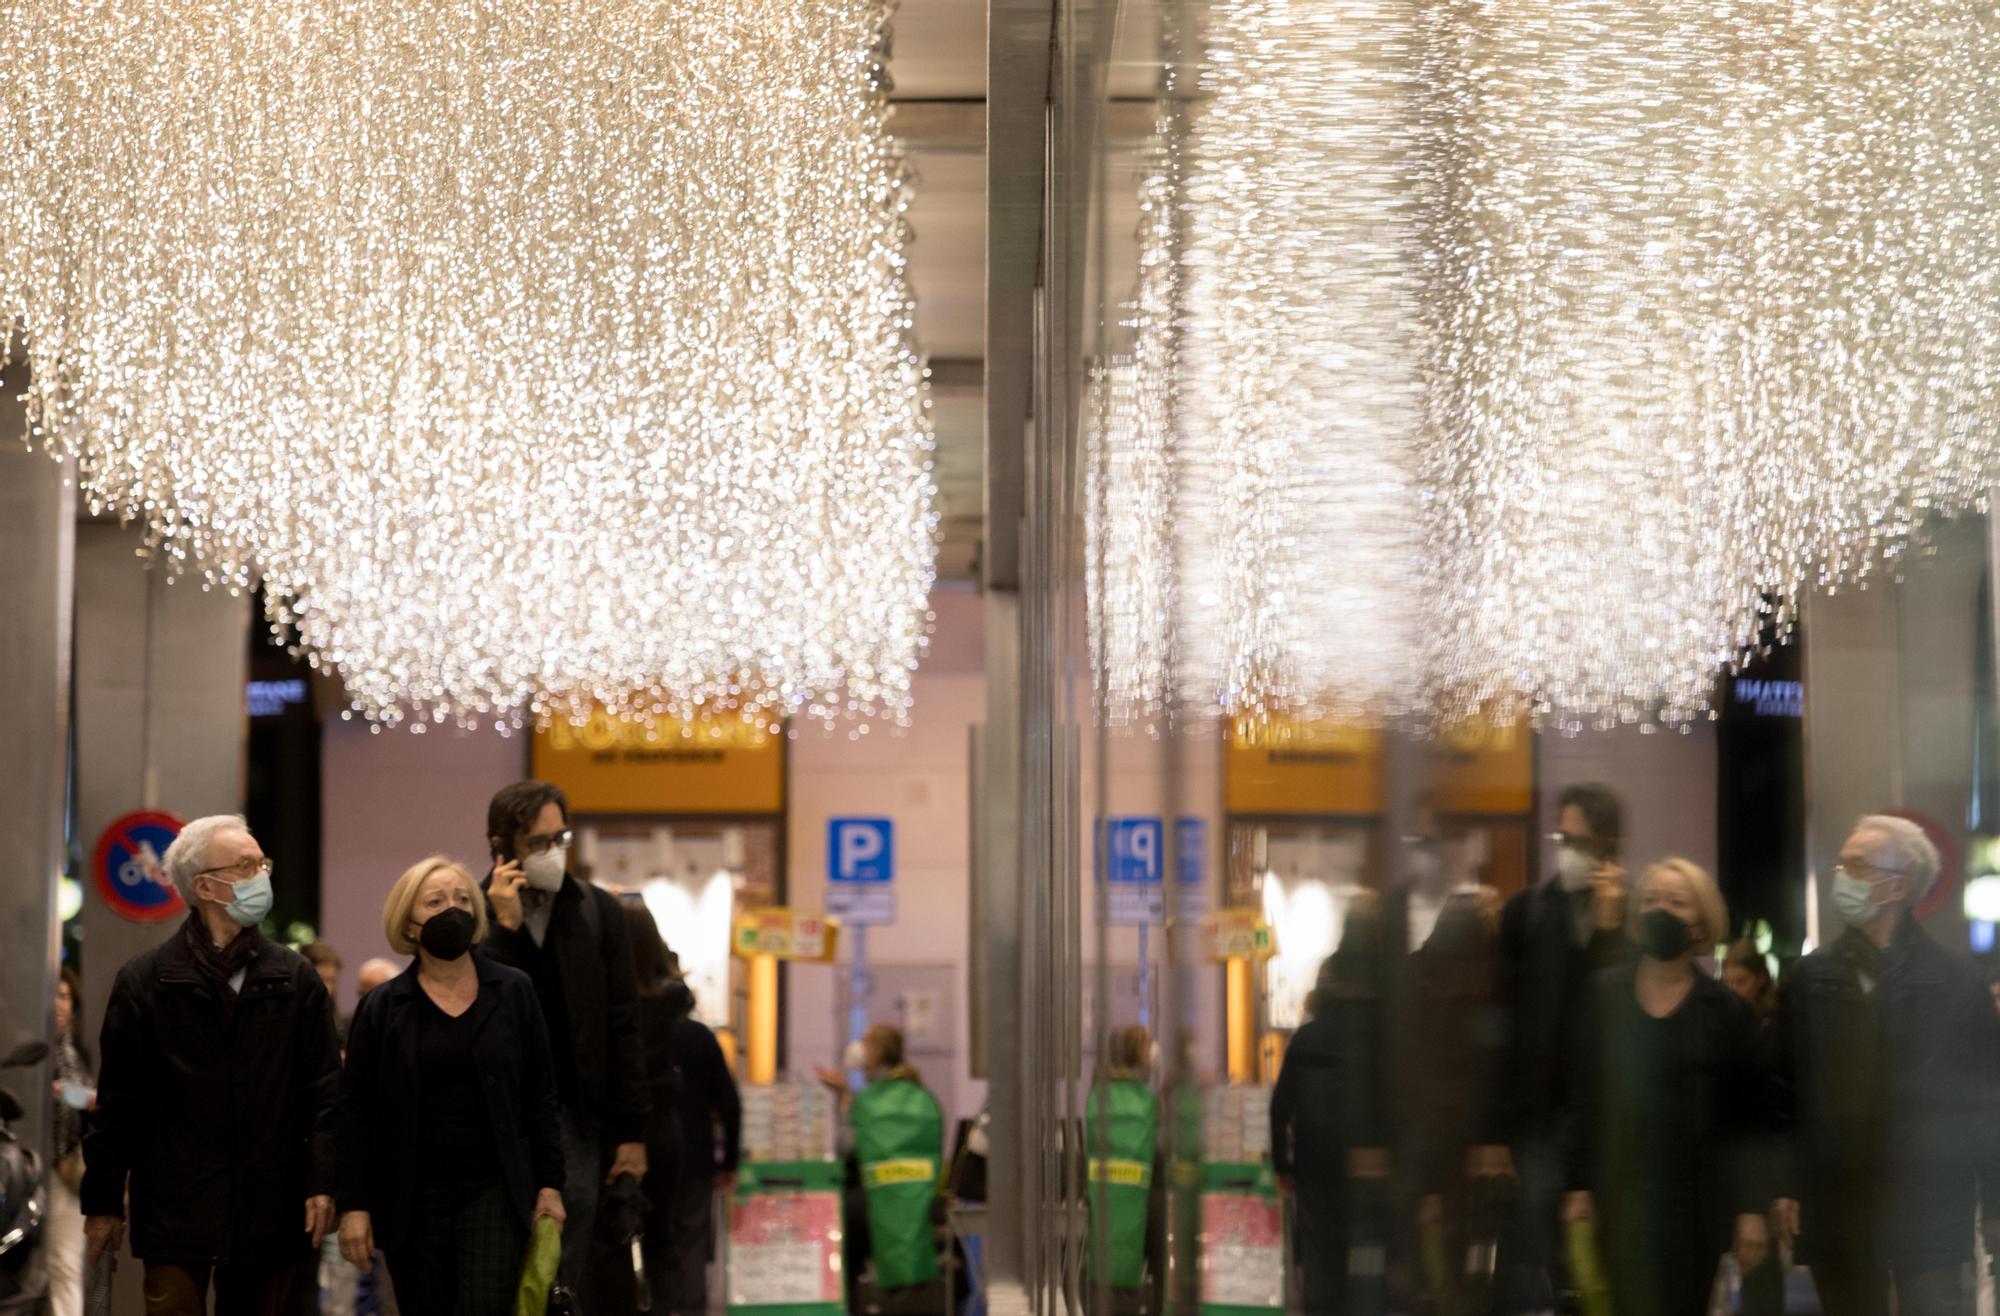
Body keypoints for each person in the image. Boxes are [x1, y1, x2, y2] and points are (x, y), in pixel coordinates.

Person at [82, 814, 341, 1315]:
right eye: (246, 866)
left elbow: (324, 1093)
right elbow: (118, 1104)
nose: (262, 875)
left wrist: (323, 1181)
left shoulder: (295, 979)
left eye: (262, 863)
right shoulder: (147, 981)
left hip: (270, 1206)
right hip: (174, 1206)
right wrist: (103, 1204)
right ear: (204, 885)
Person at [1773, 815, 2000, 1316]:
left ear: (1897, 886)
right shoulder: (1811, 979)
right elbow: (1786, 1089)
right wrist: (1786, 1185)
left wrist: (1995, 1205)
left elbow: (1985, 1102)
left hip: (1931, 1198)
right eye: (1842, 863)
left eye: (1856, 865)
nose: (1842, 875)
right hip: (1839, 1199)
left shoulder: (1956, 982)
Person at [337, 856, 566, 1314]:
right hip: (410, 1197)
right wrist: (354, 1206)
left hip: (495, 1189)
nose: (453, 909)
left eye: (463, 899)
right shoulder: (383, 1007)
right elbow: (355, 1112)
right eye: (436, 901)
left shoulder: (514, 991)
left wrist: (550, 1185)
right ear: (409, 922)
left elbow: (541, 1095)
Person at [1564, 859, 1770, 1316]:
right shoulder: (1605, 995)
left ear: (1700, 923)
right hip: (1618, 1197)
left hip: (1694, 1207)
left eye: (1677, 902)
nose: (1661, 909)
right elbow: (1583, 1096)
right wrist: (1577, 1187)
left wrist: (1751, 1209)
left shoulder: (1725, 1010)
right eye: (1652, 899)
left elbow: (1751, 1117)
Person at [479, 780, 650, 1310]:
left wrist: (631, 1131)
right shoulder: (472, 916)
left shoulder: (596, 911)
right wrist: (502, 932)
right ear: (500, 847)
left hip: (575, 1116)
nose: (553, 853)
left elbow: (624, 1023)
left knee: (564, 1257)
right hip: (494, 1119)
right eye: (537, 842)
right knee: (498, 1257)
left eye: (560, 838)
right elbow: (484, 1016)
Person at [1493, 782, 1631, 1311]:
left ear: (1610, 849)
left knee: (1607, 1256)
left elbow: (1619, 1010)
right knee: (1554, 1254)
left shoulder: (1637, 912)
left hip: (1613, 1119)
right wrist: (1496, 1129)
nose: (1570, 851)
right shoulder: (1528, 912)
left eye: (1584, 842)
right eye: (1563, 838)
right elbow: (1501, 1026)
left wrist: (1610, 931)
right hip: (1542, 1119)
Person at [610, 914, 742, 1316]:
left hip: (617, 1153)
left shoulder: (608, 1022)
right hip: (687, 1153)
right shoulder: (693, 1033)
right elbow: (730, 1102)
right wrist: (729, 1159)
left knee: (619, 1244)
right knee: (682, 1245)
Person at [1270, 899, 1390, 1315]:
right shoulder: (1381, 1028)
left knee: (1321, 1261)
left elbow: (1278, 1107)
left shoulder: (1306, 1039)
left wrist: (1283, 1167)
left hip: (1314, 1165)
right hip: (1367, 1163)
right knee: (1366, 1256)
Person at [840, 1025, 944, 1304]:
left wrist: (844, 1102)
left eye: (866, 1043)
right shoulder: (921, 1096)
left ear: (876, 1053)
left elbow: (849, 1147)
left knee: (847, 1220)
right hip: (919, 1202)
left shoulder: (870, 1101)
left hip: (873, 1201)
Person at [1720, 941, 1784, 1316]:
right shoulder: (1725, 1020)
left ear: (1760, 980)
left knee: (1761, 1259)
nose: (1732, 989)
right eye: (1727, 980)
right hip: (1737, 1152)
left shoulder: (1771, 1024)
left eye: (1739, 981)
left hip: (1763, 1151)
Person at [1085, 1025, 1160, 1303]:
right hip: (1142, 1207)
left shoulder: (1098, 1096)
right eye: (1148, 1043)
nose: (1154, 1049)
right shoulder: (1144, 1102)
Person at [45, 966, 95, 1316]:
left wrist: (71, 1095)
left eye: (64, 996)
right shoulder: (29, 1043)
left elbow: (93, 1100)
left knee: (64, 1264)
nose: (59, 1004)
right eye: (53, 995)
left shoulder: (76, 1051)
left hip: (66, 1172)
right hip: (28, 1166)